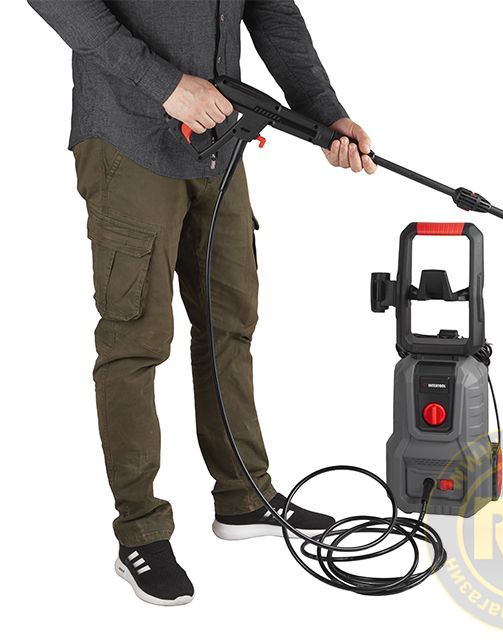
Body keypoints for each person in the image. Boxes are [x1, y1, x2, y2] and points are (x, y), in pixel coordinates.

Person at [28, 0, 376, 606]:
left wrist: (325, 113)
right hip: (127, 137)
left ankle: (245, 497)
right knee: (136, 339)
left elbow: (270, 10)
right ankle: (140, 532)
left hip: (218, 144)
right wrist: (166, 85)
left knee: (229, 323)